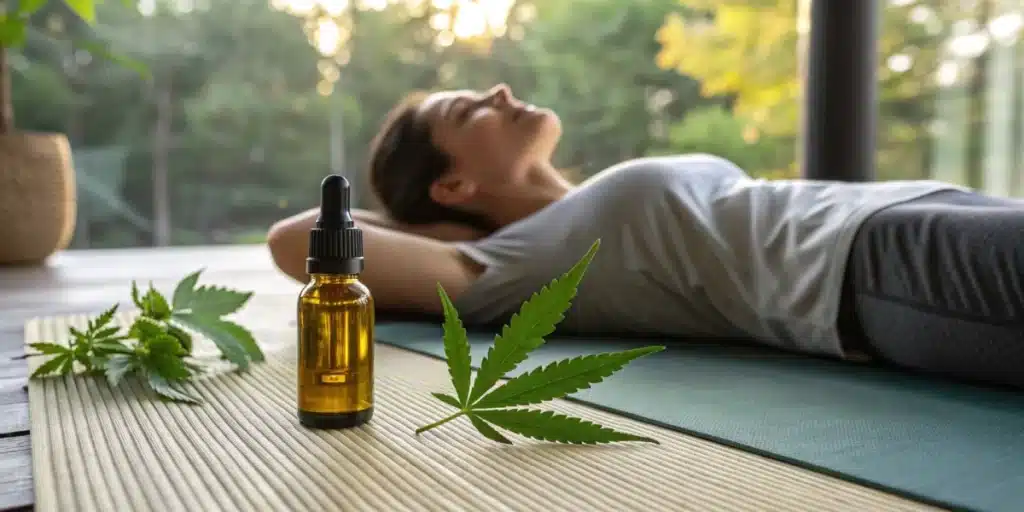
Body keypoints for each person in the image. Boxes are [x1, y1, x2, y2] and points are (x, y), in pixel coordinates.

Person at [267, 84, 1024, 391]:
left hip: (918, 210)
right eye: (470, 112)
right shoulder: (510, 263)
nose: (498, 90)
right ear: (453, 188)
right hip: (864, 270)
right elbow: (295, 239)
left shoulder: (573, 211)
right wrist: (422, 227)